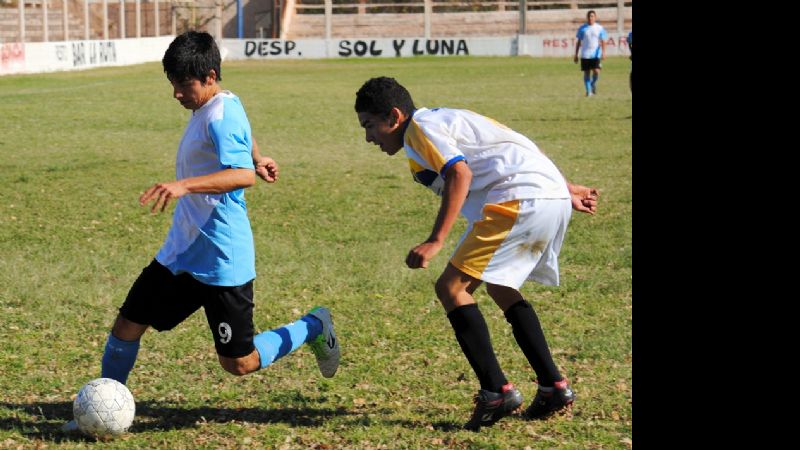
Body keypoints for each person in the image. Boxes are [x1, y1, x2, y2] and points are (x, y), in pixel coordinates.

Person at [64, 31, 340, 431]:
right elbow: (245, 147)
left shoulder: (220, 113)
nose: (176, 93)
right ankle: (99, 412)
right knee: (127, 324)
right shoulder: (223, 102)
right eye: (172, 84)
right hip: (181, 252)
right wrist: (260, 156)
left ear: (210, 76)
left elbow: (242, 176)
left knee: (239, 363)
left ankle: (314, 326)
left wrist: (185, 185)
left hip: (221, 259)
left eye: (183, 84)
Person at [354, 77, 599, 432]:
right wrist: (563, 188)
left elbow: (459, 172)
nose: (368, 137)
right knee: (500, 286)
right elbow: (517, 145)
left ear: (394, 116)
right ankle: (553, 387)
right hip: (540, 194)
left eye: (370, 125)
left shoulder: (419, 128)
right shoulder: (441, 119)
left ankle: (495, 391)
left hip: (518, 198)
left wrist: (436, 239)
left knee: (451, 288)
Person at [574, 10, 607, 97]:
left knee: (596, 71)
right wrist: (576, 54)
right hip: (585, 54)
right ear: (587, 17)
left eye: (592, 16)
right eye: (589, 16)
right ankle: (589, 92)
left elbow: (603, 40)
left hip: (596, 54)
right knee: (587, 73)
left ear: (595, 17)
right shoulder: (582, 28)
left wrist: (604, 52)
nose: (590, 18)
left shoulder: (599, 28)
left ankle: (592, 84)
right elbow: (578, 42)